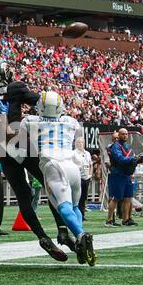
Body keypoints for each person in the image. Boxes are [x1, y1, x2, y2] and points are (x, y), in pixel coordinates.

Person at [0, 58, 73, 262]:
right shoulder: (15, 87)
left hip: (1, 144)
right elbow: (42, 102)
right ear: (6, 74)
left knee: (23, 195)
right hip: (18, 139)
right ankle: (62, 230)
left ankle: (42, 236)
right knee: (51, 185)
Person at [20, 91, 96, 266]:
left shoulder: (30, 121)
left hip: (53, 165)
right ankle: (79, 237)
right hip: (72, 166)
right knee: (75, 206)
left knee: (63, 208)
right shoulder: (71, 121)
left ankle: (81, 235)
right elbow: (76, 133)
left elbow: (15, 138)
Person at [108, 128, 143, 226]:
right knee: (116, 198)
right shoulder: (115, 146)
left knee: (128, 198)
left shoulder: (128, 146)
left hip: (127, 175)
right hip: (118, 174)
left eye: (126, 134)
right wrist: (134, 158)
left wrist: (138, 160)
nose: (125, 136)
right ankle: (109, 220)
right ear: (119, 135)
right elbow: (120, 159)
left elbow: (131, 160)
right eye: (123, 134)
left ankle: (126, 219)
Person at [73, 137, 93, 221]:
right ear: (75, 144)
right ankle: (75, 215)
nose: (80, 144)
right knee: (77, 197)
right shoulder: (73, 153)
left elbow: (90, 164)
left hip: (86, 177)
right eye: (79, 142)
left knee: (84, 197)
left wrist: (90, 175)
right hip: (78, 177)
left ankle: (82, 214)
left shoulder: (87, 153)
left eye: (82, 142)